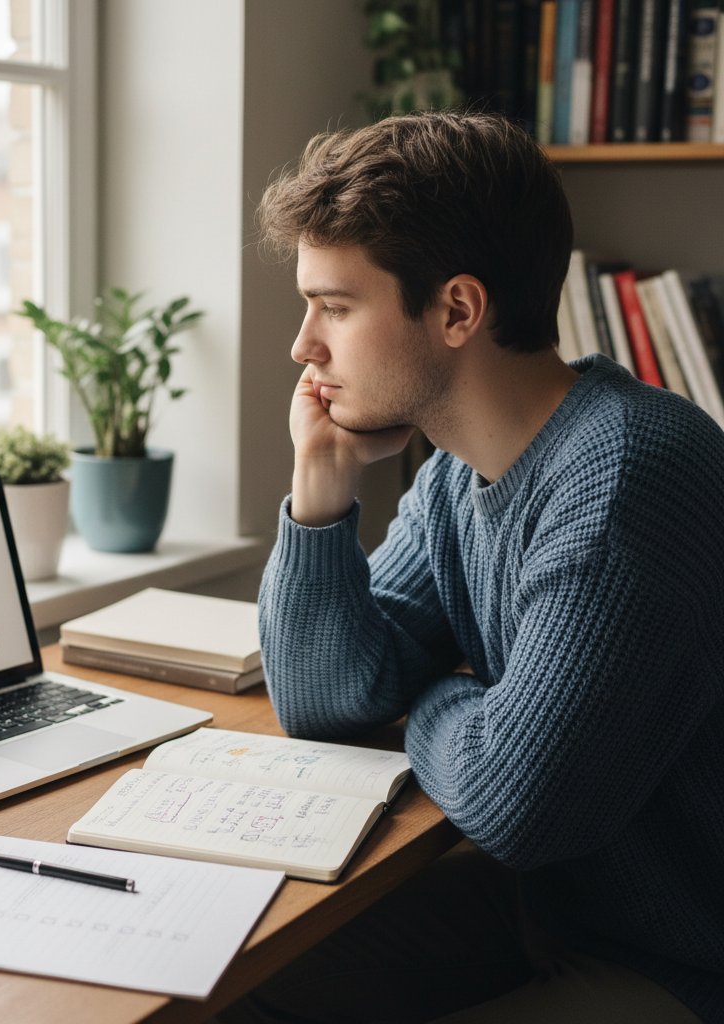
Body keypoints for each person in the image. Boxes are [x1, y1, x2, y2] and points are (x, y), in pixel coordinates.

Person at [234, 111, 724, 1023]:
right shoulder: (462, 473)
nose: (304, 346)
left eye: (335, 307)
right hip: (553, 911)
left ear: (457, 308)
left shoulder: (626, 479)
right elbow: (328, 699)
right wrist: (319, 491)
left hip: (680, 964)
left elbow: (513, 802)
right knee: (232, 992)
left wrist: (432, 699)